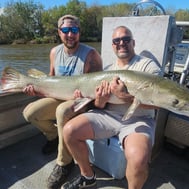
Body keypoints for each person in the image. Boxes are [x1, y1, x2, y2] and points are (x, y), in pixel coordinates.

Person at [61, 26, 161, 189]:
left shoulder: (147, 66)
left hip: (137, 119)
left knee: (138, 159)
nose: (121, 43)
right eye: (117, 40)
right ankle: (88, 176)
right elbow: (100, 106)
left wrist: (125, 96)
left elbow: (158, 103)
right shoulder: (106, 71)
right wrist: (101, 100)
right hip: (108, 116)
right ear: (113, 45)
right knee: (69, 131)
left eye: (126, 39)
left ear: (133, 42)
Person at [22, 14, 103, 189]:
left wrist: (85, 95)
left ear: (79, 32)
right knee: (29, 113)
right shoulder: (54, 52)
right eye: (66, 30)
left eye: (74, 30)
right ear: (59, 32)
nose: (70, 34)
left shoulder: (91, 54)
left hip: (82, 101)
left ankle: (64, 163)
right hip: (59, 96)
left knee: (62, 112)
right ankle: (53, 137)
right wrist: (36, 89)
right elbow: (50, 81)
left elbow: (97, 91)